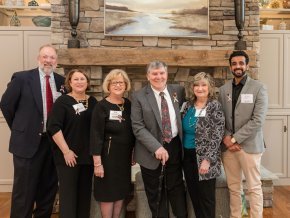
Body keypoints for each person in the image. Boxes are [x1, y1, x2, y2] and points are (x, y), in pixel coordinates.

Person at [0, 44, 64, 218]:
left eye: (51, 57)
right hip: (26, 144)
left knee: (48, 190)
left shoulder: (61, 81)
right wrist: (20, 128)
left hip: (52, 144)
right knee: (24, 192)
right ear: (38, 58)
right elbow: (6, 105)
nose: (48, 60)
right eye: (45, 56)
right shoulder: (22, 78)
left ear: (56, 61)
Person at [131, 60, 187, 218]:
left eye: (161, 73)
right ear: (148, 76)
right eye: (154, 73)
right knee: (156, 193)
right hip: (150, 151)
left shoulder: (178, 91)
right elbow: (137, 126)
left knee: (176, 187)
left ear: (166, 74)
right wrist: (157, 147)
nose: (158, 76)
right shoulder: (139, 96)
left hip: (175, 146)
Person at [218, 50, 268, 218]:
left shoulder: (259, 88)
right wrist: (226, 138)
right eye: (234, 64)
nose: (237, 66)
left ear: (247, 65)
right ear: (230, 67)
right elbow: (220, 118)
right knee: (234, 187)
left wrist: (234, 138)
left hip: (250, 146)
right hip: (228, 148)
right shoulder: (223, 89)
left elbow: (257, 120)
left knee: (254, 187)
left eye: (241, 63)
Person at [47, 69, 97, 218]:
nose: (79, 82)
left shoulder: (93, 101)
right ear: (69, 82)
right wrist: (66, 151)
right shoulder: (62, 102)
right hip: (68, 157)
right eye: (76, 79)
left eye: (82, 79)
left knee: (84, 196)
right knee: (68, 197)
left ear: (87, 82)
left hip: (87, 157)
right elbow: (53, 127)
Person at [90, 69, 135, 218]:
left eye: (121, 82)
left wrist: (133, 152)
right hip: (107, 159)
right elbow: (95, 136)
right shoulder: (101, 106)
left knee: (121, 192)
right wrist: (97, 163)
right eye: (114, 82)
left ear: (126, 85)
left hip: (123, 159)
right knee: (107, 194)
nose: (118, 85)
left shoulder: (128, 104)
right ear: (108, 85)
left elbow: (133, 131)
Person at [181, 72, 225, 218]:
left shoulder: (214, 106)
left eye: (203, 85)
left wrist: (207, 160)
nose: (200, 88)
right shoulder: (187, 106)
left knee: (206, 199)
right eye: (196, 85)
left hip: (205, 158)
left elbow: (217, 136)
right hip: (187, 157)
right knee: (194, 195)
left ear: (209, 87)